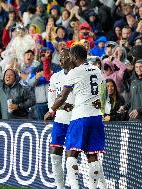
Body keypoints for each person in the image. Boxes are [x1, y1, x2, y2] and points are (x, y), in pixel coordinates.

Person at [44, 45, 106, 189]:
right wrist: (103, 107)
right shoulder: (96, 69)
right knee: (93, 155)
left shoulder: (75, 72)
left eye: (69, 56)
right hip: (95, 116)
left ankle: (75, 187)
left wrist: (51, 110)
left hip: (79, 117)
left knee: (71, 154)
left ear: (74, 57)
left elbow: (61, 97)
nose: (66, 59)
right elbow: (103, 92)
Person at [46, 48, 74, 189]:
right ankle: (60, 186)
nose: (62, 60)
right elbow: (51, 101)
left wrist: (70, 105)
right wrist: (59, 107)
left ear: (72, 58)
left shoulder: (78, 75)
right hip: (60, 120)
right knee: (54, 154)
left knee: (71, 157)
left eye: (65, 57)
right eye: (60, 57)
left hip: (75, 121)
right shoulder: (55, 77)